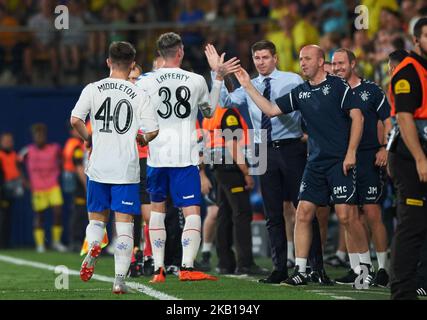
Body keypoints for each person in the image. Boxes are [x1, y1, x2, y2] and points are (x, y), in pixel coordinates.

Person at [233, 45, 367, 286]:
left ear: (320, 62)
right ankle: (301, 270)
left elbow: (358, 117)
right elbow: (271, 110)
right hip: (311, 161)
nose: (303, 62)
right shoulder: (302, 91)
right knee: (303, 212)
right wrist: (247, 85)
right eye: (301, 58)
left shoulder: (337, 85)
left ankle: (363, 269)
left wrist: (351, 153)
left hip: (337, 160)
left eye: (307, 59)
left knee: (347, 216)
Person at [206, 40, 328, 284]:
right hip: (263, 150)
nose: (261, 62)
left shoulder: (292, 80)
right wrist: (217, 75)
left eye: (265, 57)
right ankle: (279, 267)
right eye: (257, 58)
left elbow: (308, 109)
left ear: (276, 59)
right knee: (273, 213)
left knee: (304, 210)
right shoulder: (249, 84)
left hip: (292, 148)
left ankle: (316, 267)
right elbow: (224, 103)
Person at [136, 32, 240, 283]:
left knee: (157, 212)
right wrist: (217, 77)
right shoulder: (195, 80)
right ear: (181, 51)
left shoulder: (145, 81)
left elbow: (136, 114)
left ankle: (159, 269)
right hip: (185, 156)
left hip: (156, 156)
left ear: (160, 53)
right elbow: (210, 111)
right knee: (192, 212)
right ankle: (187, 267)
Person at [70, 41, 159, 294]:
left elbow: (75, 119)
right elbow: (152, 130)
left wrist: (88, 139)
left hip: (98, 166)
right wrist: (143, 139)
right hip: (126, 167)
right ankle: (119, 280)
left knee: (97, 219)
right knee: (124, 226)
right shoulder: (139, 93)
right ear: (132, 64)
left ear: (108, 62)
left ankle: (95, 244)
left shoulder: (93, 88)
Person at [332, 48, 392, 287]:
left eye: (341, 63)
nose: (337, 68)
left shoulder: (372, 90)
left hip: (369, 157)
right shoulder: (332, 92)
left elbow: (388, 120)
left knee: (372, 213)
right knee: (348, 216)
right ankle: (358, 269)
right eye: (334, 64)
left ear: (353, 63)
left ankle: (383, 269)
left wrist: (385, 147)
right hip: (342, 158)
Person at [202, 105, 268, 275]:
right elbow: (232, 143)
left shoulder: (210, 114)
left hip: (218, 166)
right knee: (242, 214)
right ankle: (245, 263)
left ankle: (225, 263)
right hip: (231, 167)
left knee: (224, 215)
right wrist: (246, 172)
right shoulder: (228, 112)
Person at [388, 17, 427, 300]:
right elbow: (404, 117)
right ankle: (402, 290)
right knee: (411, 222)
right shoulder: (408, 72)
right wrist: (420, 160)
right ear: (416, 41)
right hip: (410, 156)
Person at [21, 123, 66, 253]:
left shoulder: (55, 148)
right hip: (38, 188)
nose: (39, 137)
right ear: (33, 136)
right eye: (37, 135)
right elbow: (17, 162)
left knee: (58, 212)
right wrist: (24, 181)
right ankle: (40, 245)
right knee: (39, 216)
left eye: (41, 134)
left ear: (45, 136)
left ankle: (56, 242)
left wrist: (61, 172)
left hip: (53, 186)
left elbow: (63, 159)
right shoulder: (27, 151)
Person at [62, 125, 87, 252]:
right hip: (77, 183)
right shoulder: (77, 145)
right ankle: (76, 240)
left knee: (77, 211)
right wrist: (86, 184)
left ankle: (76, 240)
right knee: (79, 212)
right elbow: (78, 167)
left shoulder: (70, 143)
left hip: (71, 180)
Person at [0, 132, 24, 248]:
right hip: (2, 190)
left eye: (10, 141)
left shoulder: (14, 155)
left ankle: (5, 242)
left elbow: (18, 170)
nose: (8, 143)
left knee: (7, 217)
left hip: (10, 190)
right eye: (6, 141)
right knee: (2, 217)